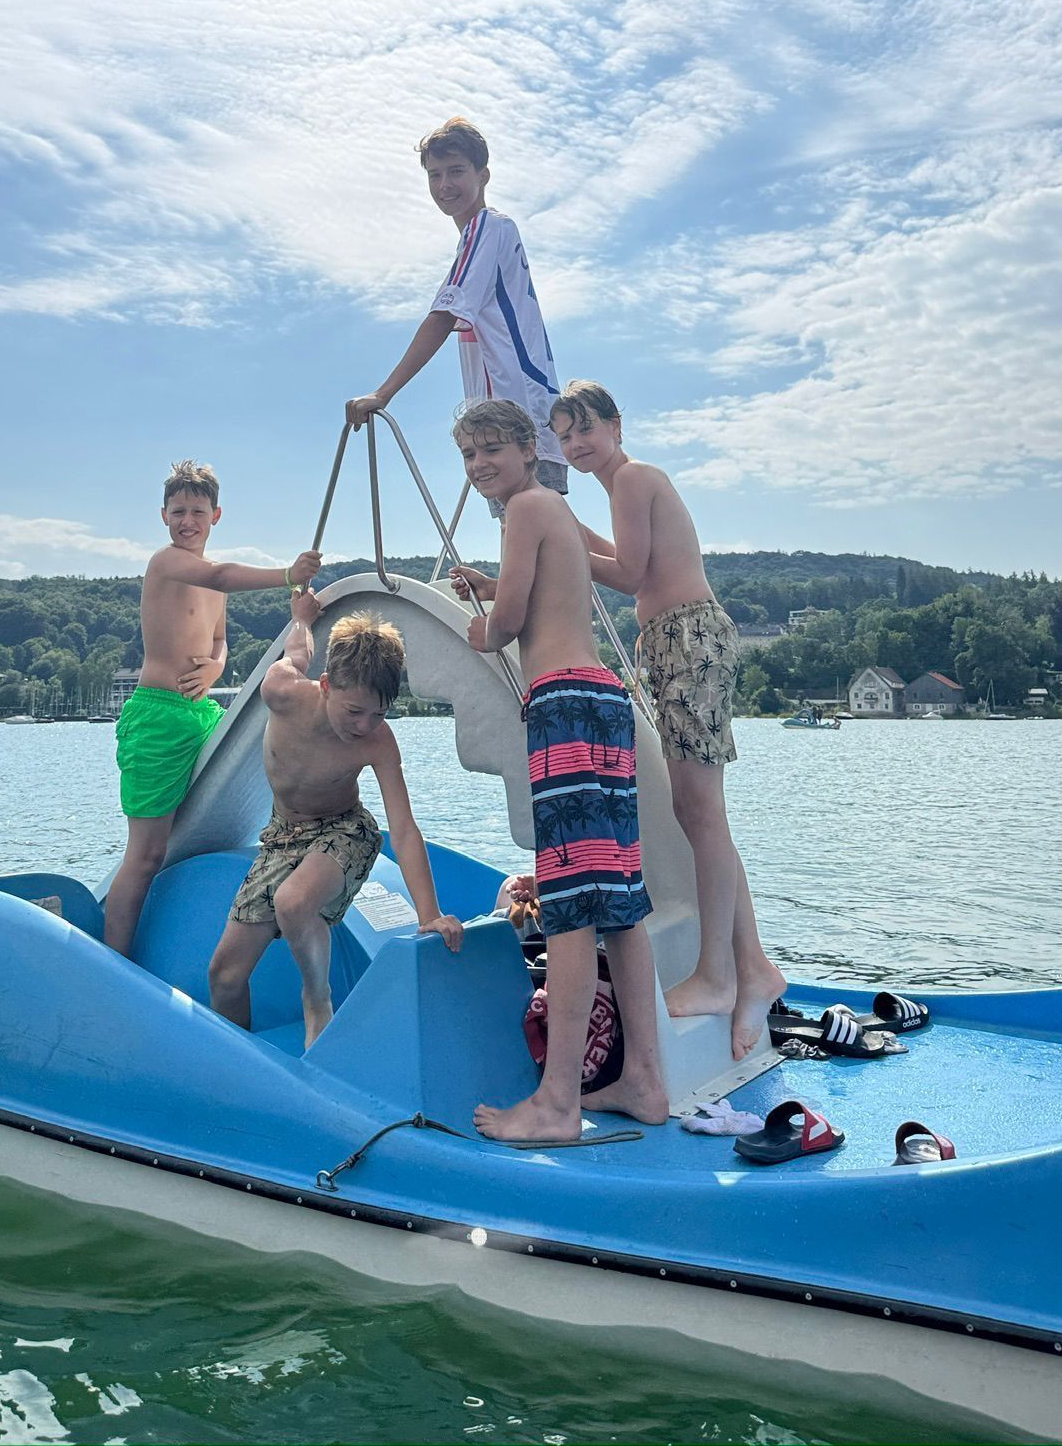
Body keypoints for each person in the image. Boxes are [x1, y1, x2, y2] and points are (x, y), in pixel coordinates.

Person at [448, 398, 668, 1142]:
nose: (480, 466)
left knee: (570, 906)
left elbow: (507, 625)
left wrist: (480, 624)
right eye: (469, 457)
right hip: (604, 703)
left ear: (523, 447)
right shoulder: (550, 513)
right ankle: (643, 1081)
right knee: (619, 904)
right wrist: (495, 589)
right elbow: (547, 595)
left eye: (490, 451)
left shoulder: (522, 511)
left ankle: (558, 1103)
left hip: (565, 707)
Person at [549, 379, 786, 1059]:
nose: (575, 443)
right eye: (565, 436)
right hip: (675, 644)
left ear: (616, 426)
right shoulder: (627, 487)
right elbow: (627, 557)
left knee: (702, 811)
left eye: (585, 428)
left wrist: (557, 542)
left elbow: (627, 572)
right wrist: (559, 528)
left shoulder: (633, 478)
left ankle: (719, 975)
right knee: (701, 814)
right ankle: (754, 969)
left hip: (688, 639)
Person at [208, 591, 463, 1047]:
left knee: (293, 902)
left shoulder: (377, 742)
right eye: (354, 711)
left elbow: (402, 829)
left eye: (379, 713)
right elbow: (297, 652)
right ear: (326, 685)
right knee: (224, 976)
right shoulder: (281, 693)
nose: (365, 724)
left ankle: (317, 998)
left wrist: (431, 914)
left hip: (346, 830)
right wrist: (301, 618)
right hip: (283, 836)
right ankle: (239, 1062)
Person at [104, 461, 321, 958]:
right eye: (178, 511)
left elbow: (220, 641)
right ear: (163, 516)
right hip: (157, 717)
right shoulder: (168, 562)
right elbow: (221, 575)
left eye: (197, 511)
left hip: (201, 715)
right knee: (146, 854)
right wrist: (287, 574)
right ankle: (112, 959)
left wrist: (216, 670)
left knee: (213, 828)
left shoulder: (211, 581)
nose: (188, 521)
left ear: (216, 515)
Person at [344, 118, 567, 516]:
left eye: (457, 171)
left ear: (483, 175)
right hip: (512, 415)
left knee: (534, 535)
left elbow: (444, 315)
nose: (445, 184)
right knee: (539, 538)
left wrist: (384, 392)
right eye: (435, 175)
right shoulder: (477, 240)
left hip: (515, 415)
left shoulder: (488, 226)